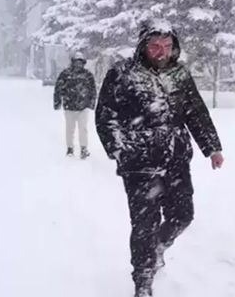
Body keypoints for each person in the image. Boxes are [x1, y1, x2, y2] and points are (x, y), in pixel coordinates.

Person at [95, 20, 224, 297]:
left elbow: (196, 113)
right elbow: (106, 117)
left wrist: (212, 147)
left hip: (176, 159)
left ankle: (158, 247)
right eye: (155, 46)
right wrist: (120, 149)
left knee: (183, 215)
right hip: (139, 164)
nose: (161, 51)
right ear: (143, 46)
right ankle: (143, 282)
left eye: (166, 46)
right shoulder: (123, 74)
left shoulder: (179, 74)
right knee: (144, 224)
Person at [53, 52, 96, 159]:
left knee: (83, 129)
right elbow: (58, 89)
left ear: (83, 63)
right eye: (76, 62)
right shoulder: (65, 74)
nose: (78, 64)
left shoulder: (88, 75)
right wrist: (57, 102)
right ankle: (70, 148)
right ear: (73, 62)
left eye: (80, 62)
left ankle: (83, 148)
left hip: (83, 107)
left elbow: (93, 90)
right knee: (70, 129)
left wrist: (91, 103)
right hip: (69, 107)